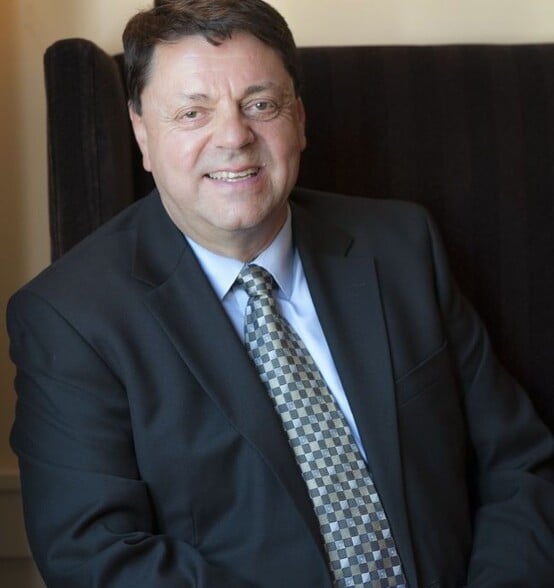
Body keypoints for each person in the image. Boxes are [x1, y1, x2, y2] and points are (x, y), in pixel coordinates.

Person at [7, 0, 553, 586]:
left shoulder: (402, 247)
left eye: (260, 105)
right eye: (192, 113)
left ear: (299, 118)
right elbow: (97, 556)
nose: (234, 137)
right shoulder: (71, 317)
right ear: (142, 131)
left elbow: (519, 466)